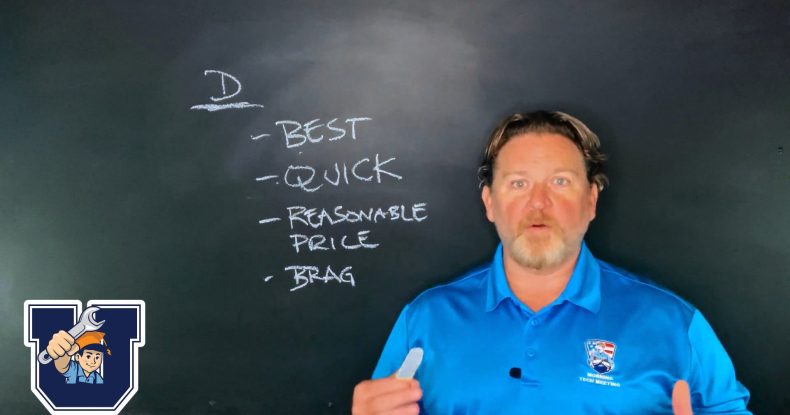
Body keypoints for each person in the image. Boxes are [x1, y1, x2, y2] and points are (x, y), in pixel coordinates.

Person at [351, 111, 750, 414]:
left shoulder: (674, 324)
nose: (538, 203)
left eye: (560, 181)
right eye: (518, 183)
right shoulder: (425, 320)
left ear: (591, 200)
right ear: (490, 203)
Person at [46, 330, 111, 384]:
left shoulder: (98, 378)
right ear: (77, 357)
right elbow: (62, 366)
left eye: (97, 357)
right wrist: (62, 353)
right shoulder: (74, 369)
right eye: (88, 356)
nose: (93, 362)